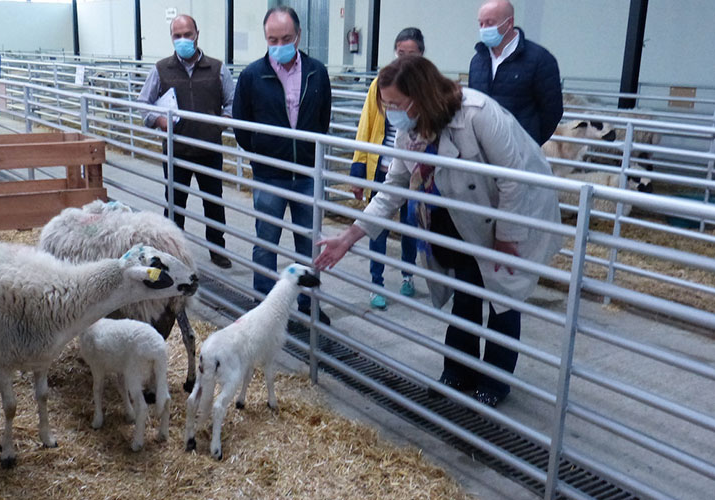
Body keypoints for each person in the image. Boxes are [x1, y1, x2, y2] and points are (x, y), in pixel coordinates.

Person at [315, 56, 561, 407]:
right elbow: (394, 187)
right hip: (461, 213)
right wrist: (349, 237)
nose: (392, 112)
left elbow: (513, 179)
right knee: (466, 289)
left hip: (513, 212)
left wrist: (507, 237)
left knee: (503, 298)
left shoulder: (477, 114)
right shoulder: (409, 129)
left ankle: (495, 381)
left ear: (421, 96)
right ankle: (457, 370)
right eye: (388, 105)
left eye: (397, 104)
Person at [233, 6, 332, 324]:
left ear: (298, 36)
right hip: (270, 174)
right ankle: (264, 305)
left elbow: (323, 118)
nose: (279, 45)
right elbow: (241, 124)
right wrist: (263, 152)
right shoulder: (251, 75)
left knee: (309, 241)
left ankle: (309, 303)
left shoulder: (317, 71)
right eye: (272, 39)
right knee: (266, 242)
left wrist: (306, 151)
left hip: (306, 173)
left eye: (285, 38)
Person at [137, 14, 234, 269]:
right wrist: (158, 121)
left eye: (187, 35)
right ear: (172, 38)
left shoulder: (217, 68)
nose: (182, 40)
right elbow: (143, 104)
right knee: (174, 202)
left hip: (209, 148)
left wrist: (220, 121)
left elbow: (232, 103)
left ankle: (217, 248)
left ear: (197, 34)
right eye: (177, 36)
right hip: (176, 149)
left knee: (213, 201)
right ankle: (172, 252)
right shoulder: (161, 69)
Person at [350, 27, 424, 310]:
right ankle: (375, 283)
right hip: (382, 167)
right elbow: (366, 124)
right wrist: (359, 165)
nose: (405, 59)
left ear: (422, 55)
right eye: (401, 53)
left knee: (410, 225)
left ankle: (408, 274)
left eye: (412, 54)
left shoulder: (427, 89)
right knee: (376, 224)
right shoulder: (382, 83)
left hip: (415, 172)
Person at [468, 0, 562, 146]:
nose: (484, 29)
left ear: (509, 23)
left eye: (490, 23)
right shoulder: (477, 61)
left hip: (520, 150)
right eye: (481, 24)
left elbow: (552, 110)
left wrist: (529, 143)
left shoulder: (539, 59)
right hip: (483, 148)